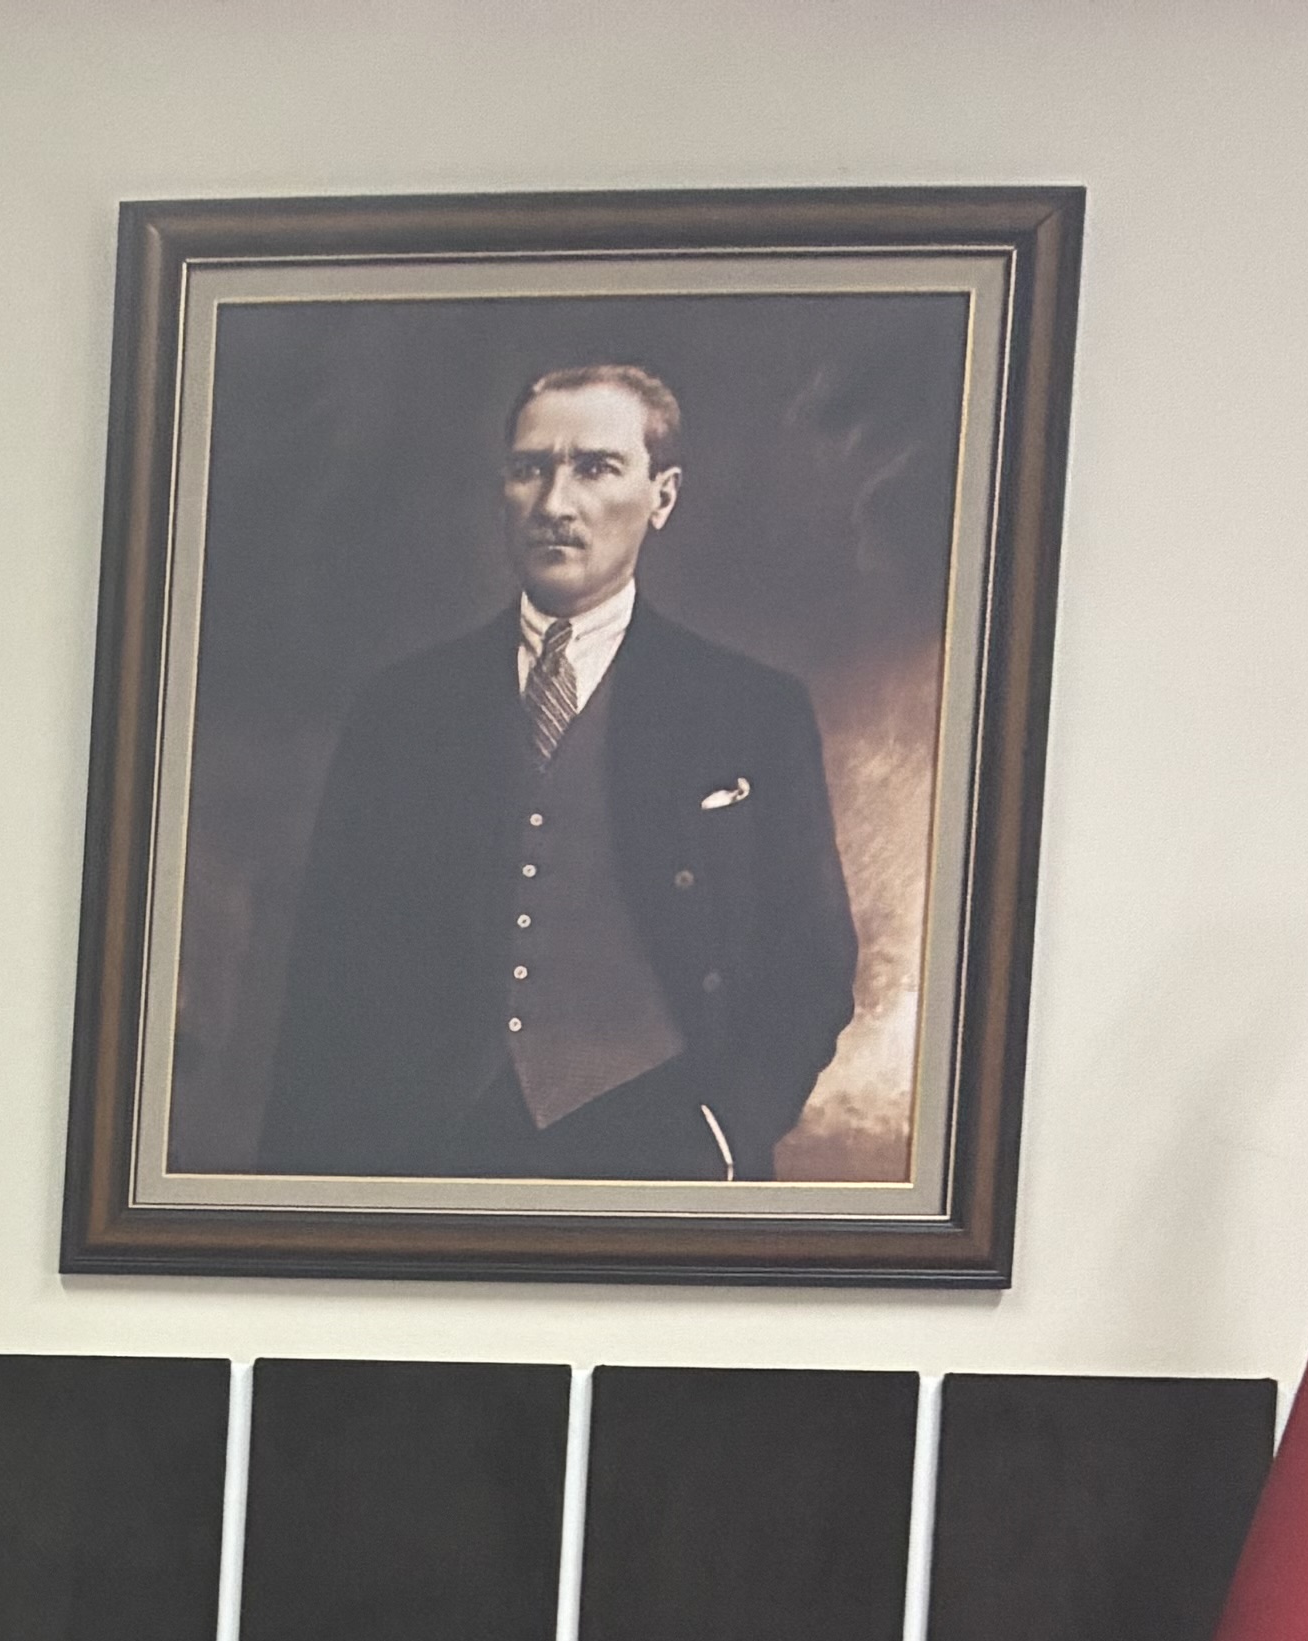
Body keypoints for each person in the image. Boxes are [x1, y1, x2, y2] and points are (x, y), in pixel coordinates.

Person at [253, 359, 857, 1185]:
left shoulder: (750, 710)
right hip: (422, 1158)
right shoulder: (402, 710)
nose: (554, 504)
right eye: (530, 469)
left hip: (657, 1153)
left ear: (663, 496)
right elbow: (327, 977)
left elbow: (811, 961)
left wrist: (726, 1132)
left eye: (596, 468)